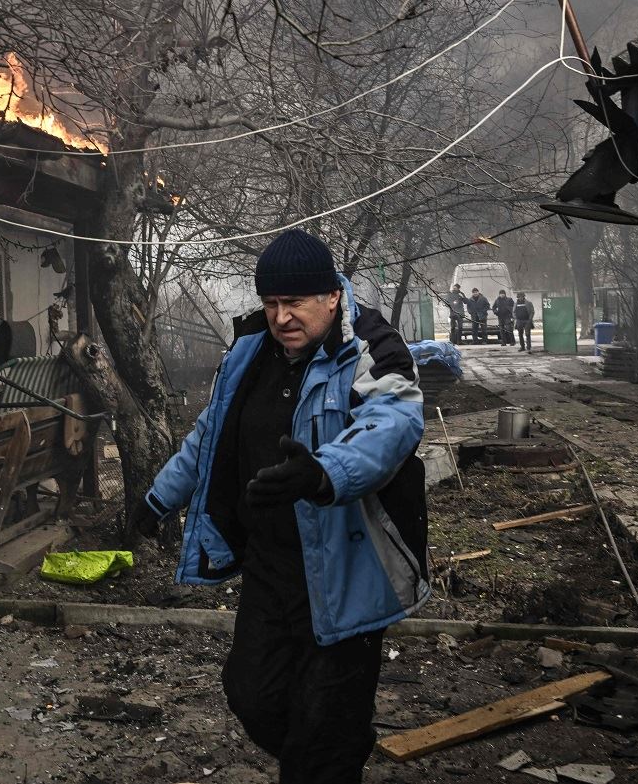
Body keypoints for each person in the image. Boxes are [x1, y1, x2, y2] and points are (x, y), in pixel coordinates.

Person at [129, 228, 429, 784]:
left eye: (295, 303)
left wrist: (323, 471)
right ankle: (334, 747)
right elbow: (210, 436)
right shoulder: (248, 354)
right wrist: (160, 497)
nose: (281, 317)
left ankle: (329, 754)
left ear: (332, 296)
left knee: (321, 740)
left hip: (348, 569)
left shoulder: (370, 347)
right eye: (271, 303)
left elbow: (394, 423)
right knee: (251, 695)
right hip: (271, 569)